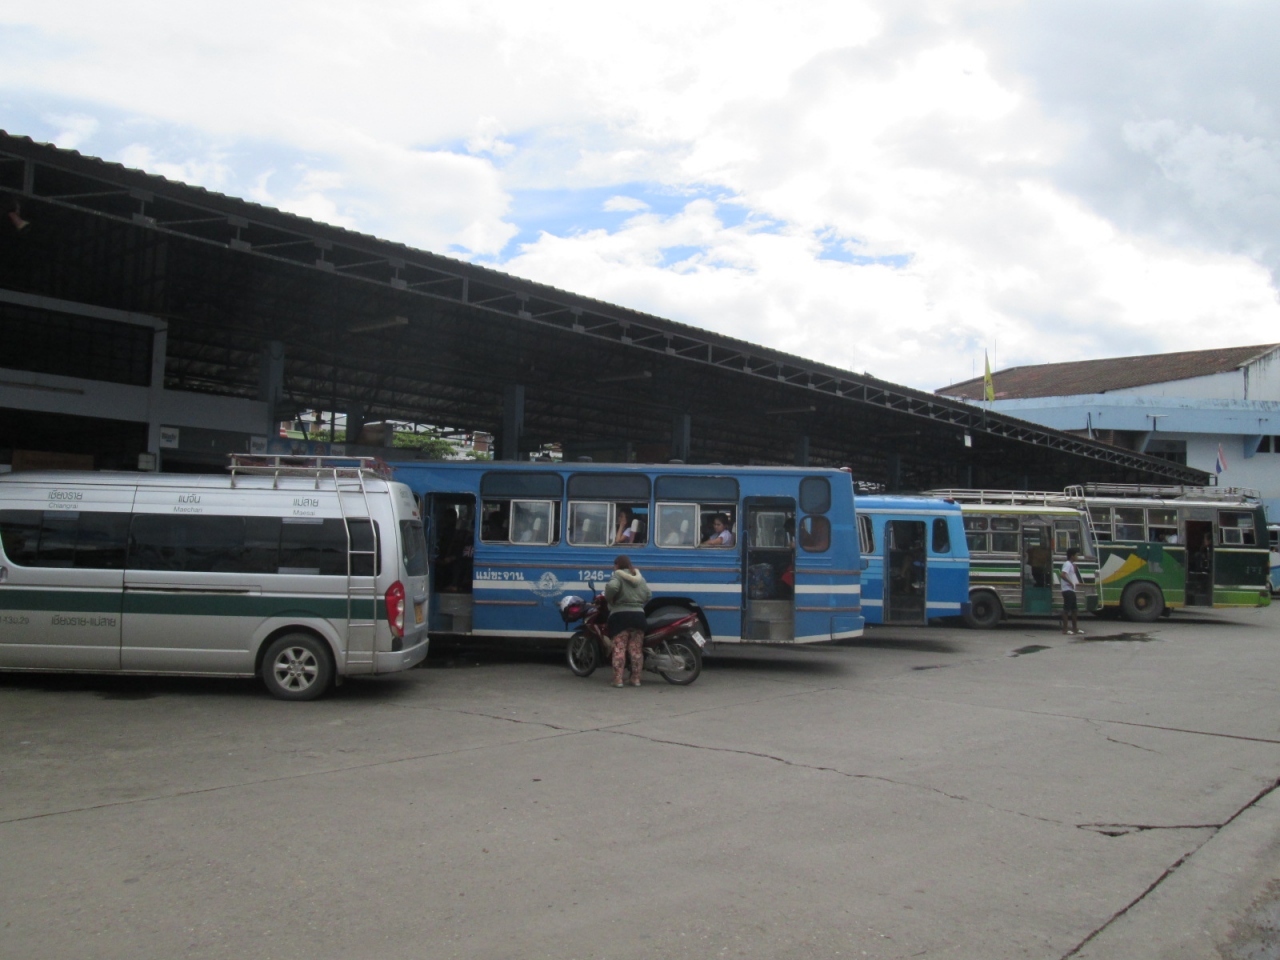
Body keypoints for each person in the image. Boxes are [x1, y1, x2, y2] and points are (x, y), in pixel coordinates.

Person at [604, 554, 651, 687]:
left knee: (619, 649)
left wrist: (609, 598)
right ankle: (635, 679)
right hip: (638, 617)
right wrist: (637, 602)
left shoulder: (618, 576)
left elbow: (612, 587)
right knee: (636, 650)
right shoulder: (639, 578)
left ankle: (618, 680)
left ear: (617, 565)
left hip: (621, 617)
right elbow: (648, 594)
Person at [1060, 546, 1083, 635]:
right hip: (1067, 590)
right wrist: (1070, 582)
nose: (1077, 557)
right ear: (1072, 556)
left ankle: (1075, 629)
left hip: (1071, 590)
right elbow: (1062, 575)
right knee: (1066, 610)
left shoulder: (1071, 565)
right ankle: (1065, 630)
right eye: (1076, 555)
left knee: (1074, 610)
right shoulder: (1067, 564)